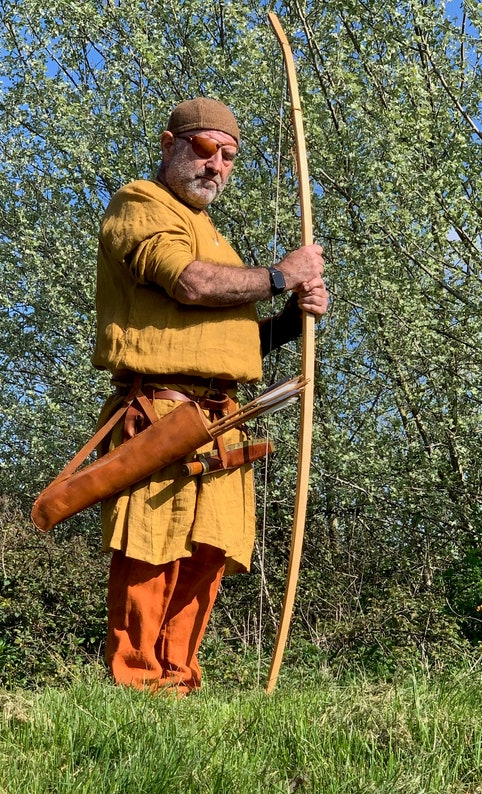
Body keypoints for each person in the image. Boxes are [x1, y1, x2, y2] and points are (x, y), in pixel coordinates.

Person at [92, 97, 328, 694]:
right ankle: (134, 688)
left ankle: (176, 683)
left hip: (224, 419)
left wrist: (289, 320)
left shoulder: (215, 238)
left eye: (229, 156)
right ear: (170, 143)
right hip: (161, 415)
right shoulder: (141, 205)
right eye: (205, 150)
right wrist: (279, 276)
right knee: (153, 549)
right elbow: (190, 283)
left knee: (207, 555)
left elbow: (231, 340)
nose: (217, 165)